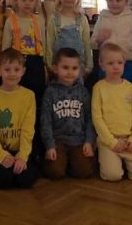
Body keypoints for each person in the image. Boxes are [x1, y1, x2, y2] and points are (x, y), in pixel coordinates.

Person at [91, 43, 132, 182]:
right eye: (110, 63)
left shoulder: (131, 88)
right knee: (112, 175)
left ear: (124, 64)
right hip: (108, 142)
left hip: (129, 140)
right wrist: (112, 142)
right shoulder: (99, 88)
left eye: (119, 62)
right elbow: (97, 118)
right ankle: (112, 161)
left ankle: (124, 162)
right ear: (102, 65)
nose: (116, 67)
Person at [0, 48, 38, 189]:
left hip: (21, 149)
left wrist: (22, 156)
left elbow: (28, 129)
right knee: (3, 181)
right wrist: (1, 156)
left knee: (25, 180)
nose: (12, 74)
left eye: (16, 69)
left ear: (23, 71)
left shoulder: (29, 96)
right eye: (7, 69)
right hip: (0, 150)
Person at [40, 47, 95, 179]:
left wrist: (89, 141)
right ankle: (60, 161)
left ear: (79, 70)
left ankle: (71, 162)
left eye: (74, 68)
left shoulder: (83, 92)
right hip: (57, 140)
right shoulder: (50, 92)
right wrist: (50, 145)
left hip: (79, 141)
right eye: (65, 67)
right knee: (55, 172)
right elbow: (45, 121)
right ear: (55, 69)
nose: (70, 72)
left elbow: (90, 119)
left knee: (84, 171)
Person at [1, 0, 47, 105]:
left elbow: (44, 42)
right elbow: (5, 45)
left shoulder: (39, 20)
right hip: (16, 62)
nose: (27, 2)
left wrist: (46, 63)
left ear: (36, 1)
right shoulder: (10, 21)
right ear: (16, 0)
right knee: (17, 92)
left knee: (36, 93)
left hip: (36, 61)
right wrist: (4, 63)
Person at [90, 0, 132, 84]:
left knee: (127, 88)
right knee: (106, 88)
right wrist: (99, 39)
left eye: (118, 0)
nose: (114, 3)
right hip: (107, 62)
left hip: (128, 62)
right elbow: (92, 43)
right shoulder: (102, 19)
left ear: (126, 1)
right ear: (106, 0)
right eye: (110, 0)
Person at [45, 0, 93, 75]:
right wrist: (49, 64)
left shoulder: (82, 19)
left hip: (78, 68)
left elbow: (87, 43)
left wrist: (89, 65)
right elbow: (49, 43)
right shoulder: (54, 19)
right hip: (59, 68)